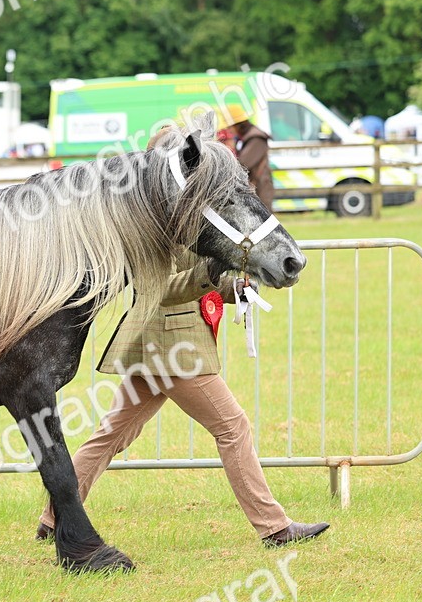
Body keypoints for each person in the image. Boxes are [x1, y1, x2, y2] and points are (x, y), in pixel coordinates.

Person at [36, 129, 328, 549]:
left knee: (112, 434)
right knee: (232, 427)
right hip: (173, 349)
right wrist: (211, 275)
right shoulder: (156, 223)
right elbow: (164, 287)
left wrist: (233, 286)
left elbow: (201, 281)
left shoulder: (191, 214)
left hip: (158, 345)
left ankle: (53, 518)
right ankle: (275, 527)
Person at [227, 104, 274, 212]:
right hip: (255, 188)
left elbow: (242, 164)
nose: (229, 130)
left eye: (230, 126)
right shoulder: (247, 137)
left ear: (238, 125)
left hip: (260, 188)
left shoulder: (256, 138)